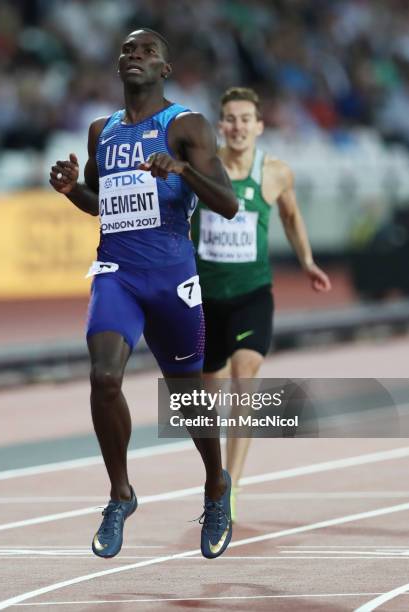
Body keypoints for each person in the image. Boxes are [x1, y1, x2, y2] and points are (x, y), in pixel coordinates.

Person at [49, 29, 238, 559]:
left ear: (165, 70)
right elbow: (99, 202)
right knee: (104, 377)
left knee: (186, 396)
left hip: (171, 277)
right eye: (129, 50)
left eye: (148, 51)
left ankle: (216, 485)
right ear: (118, 66)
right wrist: (71, 191)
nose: (136, 56)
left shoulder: (186, 126)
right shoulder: (100, 131)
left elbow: (227, 204)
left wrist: (182, 169)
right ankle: (120, 494)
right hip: (118, 273)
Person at [191, 87, 332, 519]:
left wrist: (307, 260)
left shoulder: (275, 173)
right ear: (220, 125)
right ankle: (214, 476)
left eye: (245, 119)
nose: (237, 127)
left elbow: (290, 215)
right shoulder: (199, 168)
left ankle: (229, 486)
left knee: (244, 373)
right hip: (204, 297)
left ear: (259, 126)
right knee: (204, 398)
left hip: (253, 294)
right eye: (230, 119)